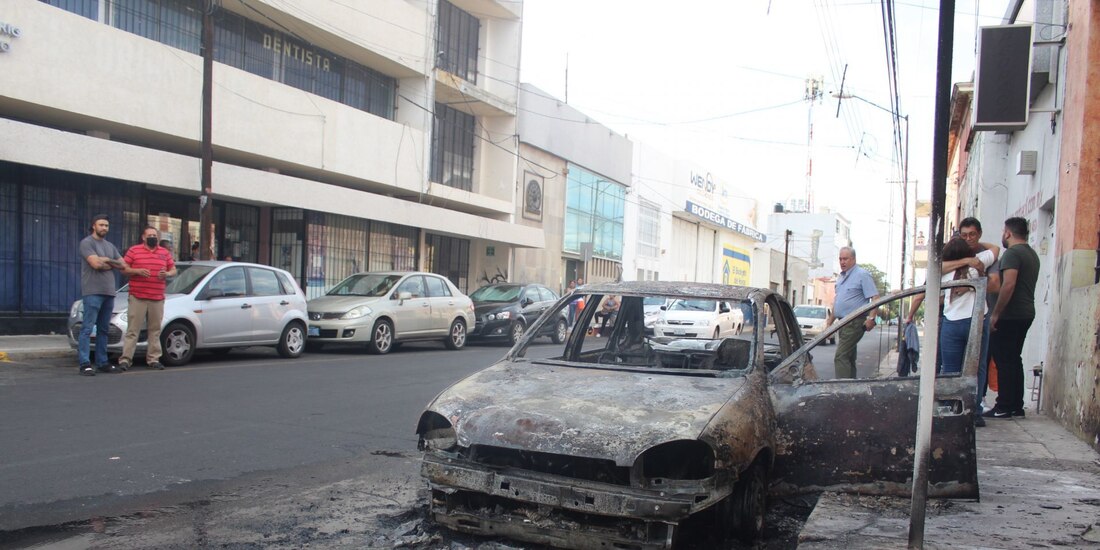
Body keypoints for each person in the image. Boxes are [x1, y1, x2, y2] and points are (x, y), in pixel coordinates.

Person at [985, 217, 1040, 419]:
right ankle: (1016, 405)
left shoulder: (1012, 254)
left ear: (1008, 233)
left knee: (1004, 360)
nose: (1003, 235)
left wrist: (996, 314)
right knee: (1014, 359)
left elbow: (1008, 284)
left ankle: (1004, 406)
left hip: (1010, 315)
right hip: (1024, 313)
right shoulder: (1031, 254)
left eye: (1003, 231)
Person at [118, 226, 177, 370]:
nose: (153, 238)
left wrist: (167, 274)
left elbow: (173, 269)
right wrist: (137, 271)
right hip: (138, 296)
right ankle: (126, 360)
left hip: (157, 297)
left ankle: (153, 359)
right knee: (133, 330)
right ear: (143, 237)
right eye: (150, 235)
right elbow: (123, 269)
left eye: (155, 235)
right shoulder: (134, 251)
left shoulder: (164, 252)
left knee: (155, 330)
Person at [77, 214, 125, 376]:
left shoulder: (110, 246)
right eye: (101, 225)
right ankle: (85, 363)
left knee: (104, 330)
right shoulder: (87, 243)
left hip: (109, 292)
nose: (104, 228)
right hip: (92, 291)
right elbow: (96, 264)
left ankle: (102, 362)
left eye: (106, 225)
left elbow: (123, 264)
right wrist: (110, 263)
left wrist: (107, 260)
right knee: (87, 328)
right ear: (94, 226)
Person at [828, 247, 879, 379]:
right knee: (849, 357)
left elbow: (875, 297)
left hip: (855, 321)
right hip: (842, 323)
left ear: (853, 259)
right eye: (840, 259)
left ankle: (842, 387)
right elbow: (837, 302)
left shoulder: (862, 274)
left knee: (841, 356)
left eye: (845, 259)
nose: (842, 262)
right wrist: (829, 324)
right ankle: (851, 385)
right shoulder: (840, 278)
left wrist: (871, 319)